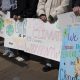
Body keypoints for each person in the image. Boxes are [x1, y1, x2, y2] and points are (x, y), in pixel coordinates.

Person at [37, 0, 69, 72]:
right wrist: (41, 13)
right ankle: (48, 63)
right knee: (48, 42)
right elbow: (41, 2)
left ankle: (63, 63)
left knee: (61, 43)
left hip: (60, 19)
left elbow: (65, 5)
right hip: (47, 20)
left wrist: (53, 15)